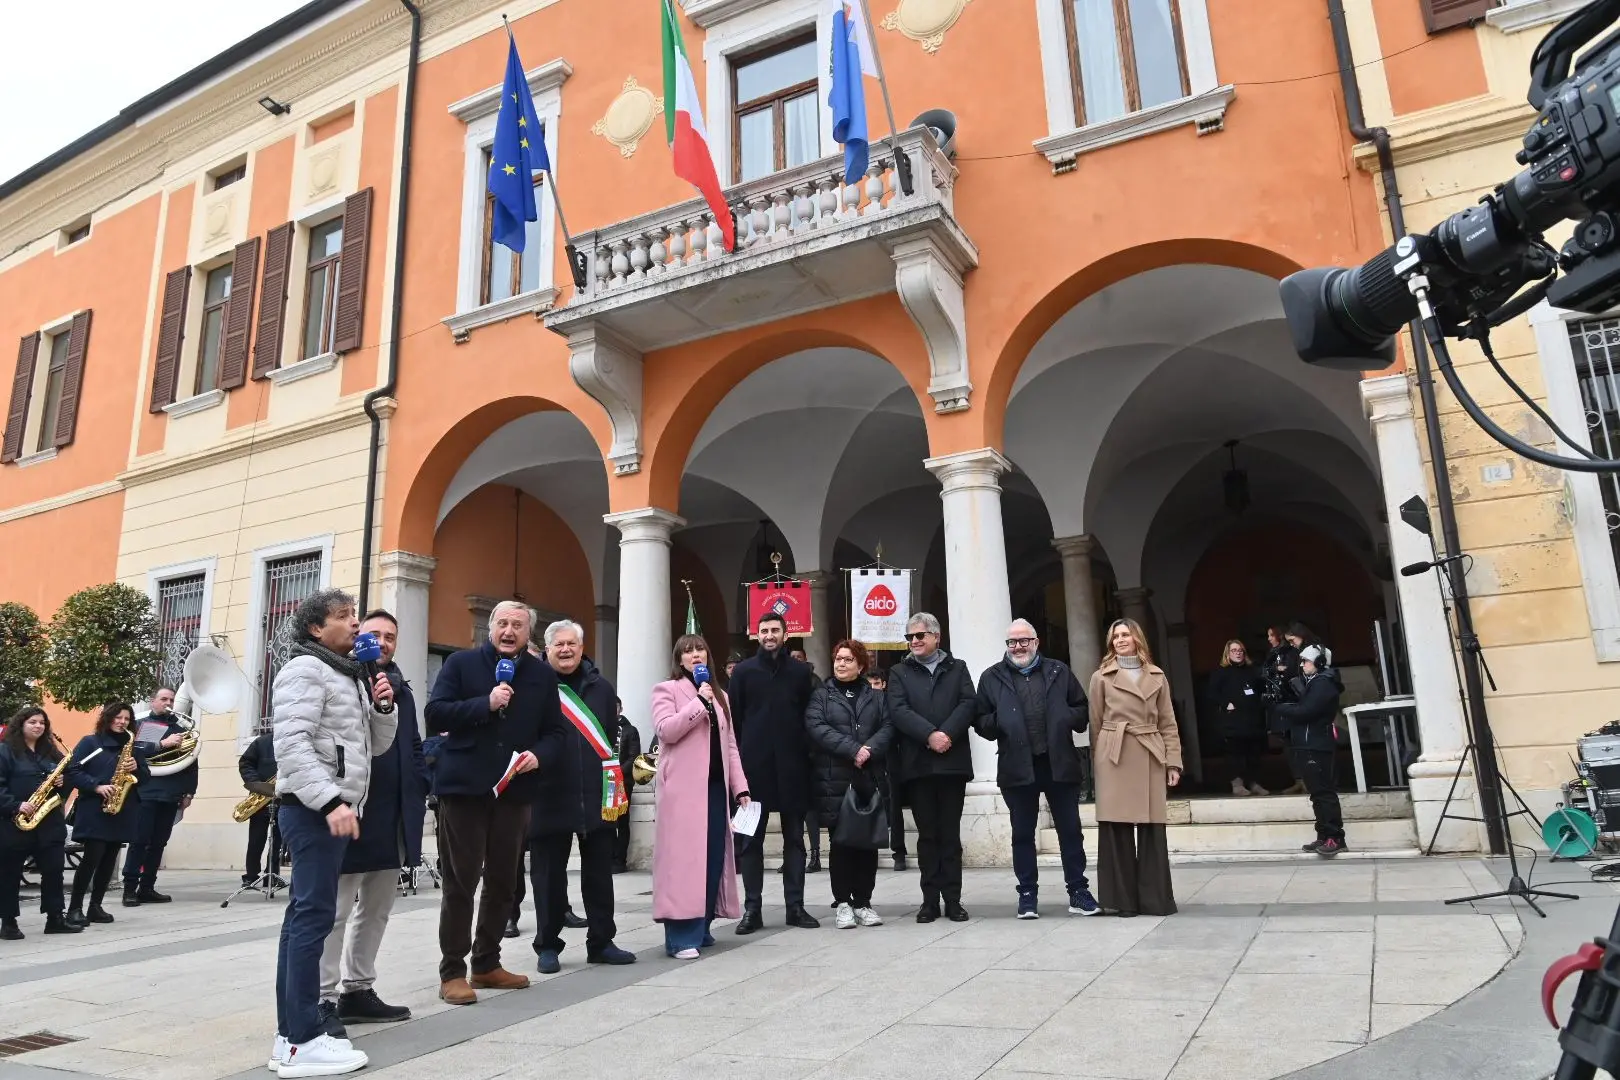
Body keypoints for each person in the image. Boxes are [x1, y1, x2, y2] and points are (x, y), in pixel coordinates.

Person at [266, 588, 397, 1078]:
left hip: (327, 807)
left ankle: (289, 1036)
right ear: (317, 629)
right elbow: (292, 746)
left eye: (355, 615)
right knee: (312, 919)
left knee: (305, 918)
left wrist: (383, 706)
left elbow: (376, 747)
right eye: (344, 617)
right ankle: (302, 1039)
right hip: (311, 808)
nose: (356, 624)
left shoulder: (352, 675)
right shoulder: (306, 669)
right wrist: (332, 801)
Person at [426, 601, 566, 1006]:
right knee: (461, 881)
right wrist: (484, 705)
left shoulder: (541, 675)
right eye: (502, 623)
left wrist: (540, 756)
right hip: (464, 790)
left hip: (514, 792)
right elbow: (434, 714)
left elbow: (555, 732)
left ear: (529, 634)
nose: (509, 631)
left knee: (504, 882)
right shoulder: (461, 665)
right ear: (490, 628)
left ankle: (486, 962)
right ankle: (452, 969)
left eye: (518, 625)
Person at [318, 610, 427, 1032]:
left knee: (378, 909)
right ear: (359, 636)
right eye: (374, 634)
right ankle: (323, 998)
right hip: (353, 811)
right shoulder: (343, 680)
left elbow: (413, 744)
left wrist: (420, 781)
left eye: (391, 637)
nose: (383, 642)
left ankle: (358, 989)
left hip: (394, 814)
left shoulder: (403, 689)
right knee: (337, 909)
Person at [973, 619, 1098, 919]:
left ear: (1036, 642)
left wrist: (1063, 718)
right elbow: (980, 719)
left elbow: (1082, 709)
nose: (1018, 647)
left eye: (1023, 641)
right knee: (1022, 834)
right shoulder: (992, 677)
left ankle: (1078, 891)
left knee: (1070, 831)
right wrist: (1000, 722)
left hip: (1059, 764)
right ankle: (1027, 894)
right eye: (1012, 642)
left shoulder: (1059, 671)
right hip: (1017, 767)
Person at [530, 620, 636, 973]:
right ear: (547, 650)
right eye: (558, 644)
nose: (565, 650)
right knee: (548, 876)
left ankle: (602, 941)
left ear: (581, 646)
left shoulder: (601, 689)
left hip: (595, 795)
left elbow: (607, 742)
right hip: (548, 794)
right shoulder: (534, 685)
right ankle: (548, 945)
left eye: (571, 643)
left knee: (599, 874)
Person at [651, 634, 750, 958]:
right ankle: (680, 936)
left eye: (700, 650)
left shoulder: (721, 695)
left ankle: (702, 925)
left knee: (711, 858)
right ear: (679, 659)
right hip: (682, 791)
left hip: (714, 788)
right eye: (688, 651)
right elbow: (666, 730)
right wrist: (698, 704)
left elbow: (731, 745)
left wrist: (741, 788)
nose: (695, 655)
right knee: (683, 863)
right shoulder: (667, 690)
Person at [730, 612, 820, 933]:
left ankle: (796, 907)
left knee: (795, 841)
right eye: (764, 630)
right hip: (754, 772)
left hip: (793, 769)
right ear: (757, 635)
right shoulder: (742, 673)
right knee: (750, 843)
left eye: (775, 630)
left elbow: (810, 717)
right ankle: (752, 909)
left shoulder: (799, 672)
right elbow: (735, 723)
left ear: (785, 634)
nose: (769, 635)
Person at [887, 612, 976, 923]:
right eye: (910, 637)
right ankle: (929, 901)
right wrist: (929, 735)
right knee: (927, 836)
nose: (915, 641)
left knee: (949, 835)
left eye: (920, 635)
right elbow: (898, 709)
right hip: (918, 764)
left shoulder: (958, 668)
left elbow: (968, 704)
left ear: (937, 637)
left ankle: (953, 900)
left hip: (952, 764)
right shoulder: (899, 672)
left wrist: (946, 734)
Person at [1090, 618, 1181, 918]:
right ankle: (1122, 901)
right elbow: (1096, 723)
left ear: (1137, 638)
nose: (1119, 640)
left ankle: (1156, 900)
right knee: (1116, 827)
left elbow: (1168, 722)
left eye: (1125, 634)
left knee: (1153, 829)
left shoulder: (1158, 676)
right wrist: (1099, 761)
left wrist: (1173, 763)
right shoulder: (1101, 677)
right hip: (1114, 754)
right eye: (1115, 636)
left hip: (1150, 752)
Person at [805, 640, 893, 929]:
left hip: (868, 778)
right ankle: (843, 902)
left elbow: (889, 727)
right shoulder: (822, 695)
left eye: (847, 659)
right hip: (834, 780)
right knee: (840, 844)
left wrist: (868, 749)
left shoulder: (877, 697)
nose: (841, 664)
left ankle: (863, 902)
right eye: (838, 659)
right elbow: (817, 727)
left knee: (867, 845)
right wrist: (852, 749)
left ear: (860, 665)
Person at [65, 702, 154, 927]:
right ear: (108, 718)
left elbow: (145, 778)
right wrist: (96, 786)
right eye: (118, 717)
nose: (122, 722)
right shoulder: (90, 743)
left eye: (126, 718)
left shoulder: (133, 747)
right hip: (95, 808)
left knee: (109, 859)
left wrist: (138, 768)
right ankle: (75, 908)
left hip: (122, 808)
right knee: (92, 858)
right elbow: (73, 771)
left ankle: (96, 906)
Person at [0, 707, 80, 939]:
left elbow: (66, 783)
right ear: (21, 724)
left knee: (54, 871)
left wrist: (64, 781)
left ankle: (55, 918)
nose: (38, 726)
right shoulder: (6, 751)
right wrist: (15, 805)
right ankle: (9, 921)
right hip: (15, 822)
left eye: (42, 723)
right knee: (10, 873)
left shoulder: (51, 752)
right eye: (32, 722)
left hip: (49, 822)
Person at [120, 687, 197, 906]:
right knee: (140, 841)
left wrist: (189, 792)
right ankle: (129, 889)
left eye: (171, 699)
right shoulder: (149, 725)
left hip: (171, 792)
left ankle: (147, 887)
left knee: (159, 844)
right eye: (163, 699)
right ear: (153, 701)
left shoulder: (181, 728)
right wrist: (164, 743)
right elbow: (139, 751)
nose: (168, 703)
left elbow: (192, 762)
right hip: (147, 791)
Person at [1276, 644, 1347, 856]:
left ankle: (1335, 837)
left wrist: (1279, 707)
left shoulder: (1323, 684)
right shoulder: (1314, 682)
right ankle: (1324, 834)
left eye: (1306, 661)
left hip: (1316, 743)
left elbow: (1306, 711)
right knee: (1316, 792)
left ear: (1319, 662)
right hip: (1307, 742)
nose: (1302, 664)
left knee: (1324, 792)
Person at [1209, 639, 1269, 797]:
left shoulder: (1252, 671)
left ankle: (1254, 783)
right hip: (1232, 721)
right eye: (1234, 650)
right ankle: (1237, 784)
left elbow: (1261, 689)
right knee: (1235, 754)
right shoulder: (1221, 672)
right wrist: (1225, 704)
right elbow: (1211, 693)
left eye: (1240, 650)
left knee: (1254, 754)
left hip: (1252, 720)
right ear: (1227, 654)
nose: (1238, 653)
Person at [238, 731, 283, 890]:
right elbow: (245, 763)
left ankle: (272, 874)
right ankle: (250, 876)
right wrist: (257, 784)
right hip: (259, 798)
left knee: (278, 840)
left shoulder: (293, 740)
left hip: (284, 799)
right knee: (256, 838)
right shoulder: (261, 742)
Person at [612, 698, 640, 873]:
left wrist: (617, 772)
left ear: (621, 708)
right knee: (606, 823)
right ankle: (607, 857)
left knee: (622, 821)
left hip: (623, 782)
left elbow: (633, 756)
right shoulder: (602, 728)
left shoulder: (630, 730)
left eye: (615, 707)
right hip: (604, 781)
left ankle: (620, 860)